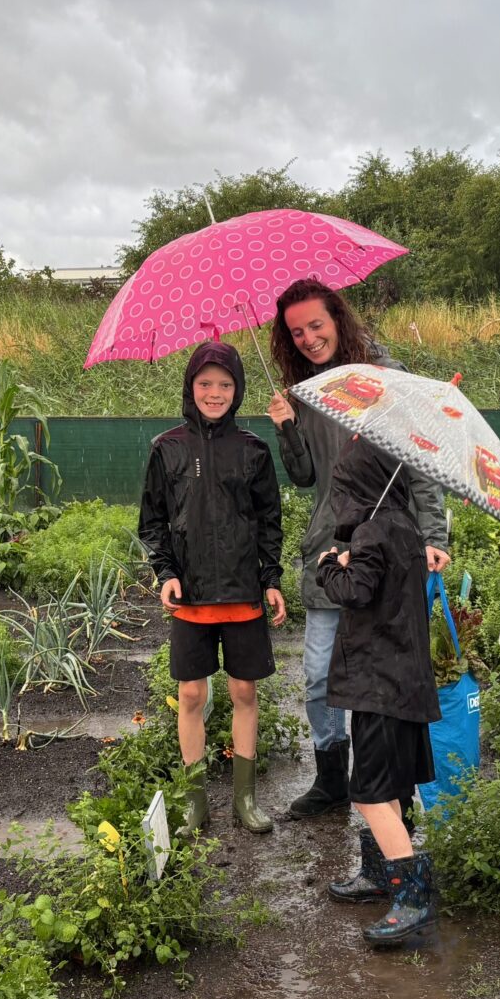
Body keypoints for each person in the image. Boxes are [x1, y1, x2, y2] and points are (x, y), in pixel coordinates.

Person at [267, 279, 450, 820]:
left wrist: (434, 535)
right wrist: (286, 429)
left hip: (387, 548)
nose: (307, 338)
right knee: (320, 675)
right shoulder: (304, 391)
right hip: (330, 549)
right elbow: (305, 476)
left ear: (338, 320)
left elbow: (419, 461)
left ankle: (394, 790)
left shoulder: (383, 378)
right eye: (296, 332)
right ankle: (331, 780)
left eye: (315, 325)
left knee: (388, 679)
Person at [137, 340, 286, 834]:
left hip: (242, 592)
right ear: (191, 387)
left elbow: (269, 520)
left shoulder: (253, 450)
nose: (215, 393)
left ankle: (245, 799)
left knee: (244, 690)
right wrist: (167, 573)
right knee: (190, 696)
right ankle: (195, 802)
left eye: (225, 384)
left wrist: (270, 578)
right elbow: (153, 521)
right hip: (192, 595)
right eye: (205, 383)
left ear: (238, 389)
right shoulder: (167, 448)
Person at [315, 438, 438, 947]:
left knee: (370, 795)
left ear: (358, 485)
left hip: (378, 685)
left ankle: (413, 896)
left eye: (341, 486)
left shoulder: (371, 530)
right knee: (395, 785)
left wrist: (329, 565)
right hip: (403, 681)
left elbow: (355, 591)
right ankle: (376, 872)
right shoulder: (405, 527)